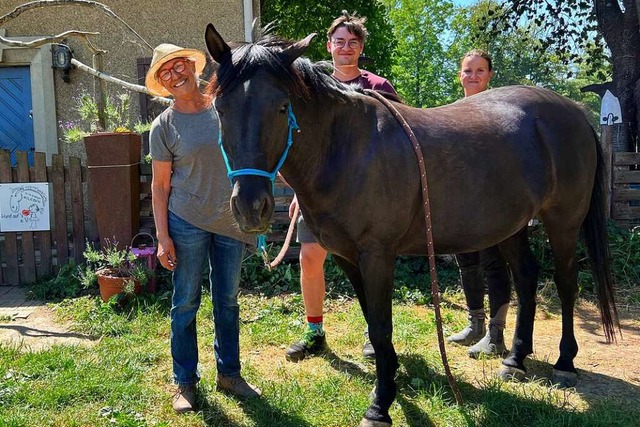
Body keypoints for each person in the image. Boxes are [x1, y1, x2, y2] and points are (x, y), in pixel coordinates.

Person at [146, 43, 261, 414]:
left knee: (227, 301)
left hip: (229, 220)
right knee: (185, 303)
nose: (175, 74)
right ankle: (185, 381)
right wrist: (163, 236)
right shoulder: (163, 126)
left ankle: (229, 374)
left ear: (192, 67)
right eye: (166, 72)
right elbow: (160, 186)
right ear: (161, 83)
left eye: (179, 65)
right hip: (186, 221)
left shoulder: (223, 108)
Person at [285, 11, 397, 362]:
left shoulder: (378, 87)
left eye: (352, 42)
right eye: (339, 42)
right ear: (330, 46)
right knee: (310, 258)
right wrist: (296, 192)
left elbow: (399, 142)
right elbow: (300, 145)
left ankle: (372, 329)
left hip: (365, 200)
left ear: (361, 47)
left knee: (369, 262)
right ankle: (314, 331)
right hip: (318, 196)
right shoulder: (310, 89)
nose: (345, 48)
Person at [447, 49, 511, 358]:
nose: (473, 75)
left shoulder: (499, 110)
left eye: (480, 70)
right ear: (459, 74)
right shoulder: (450, 111)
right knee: (467, 262)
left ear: (490, 76)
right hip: (460, 204)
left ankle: (497, 334)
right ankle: (476, 323)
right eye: (468, 70)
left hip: (491, 203)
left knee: (493, 262)